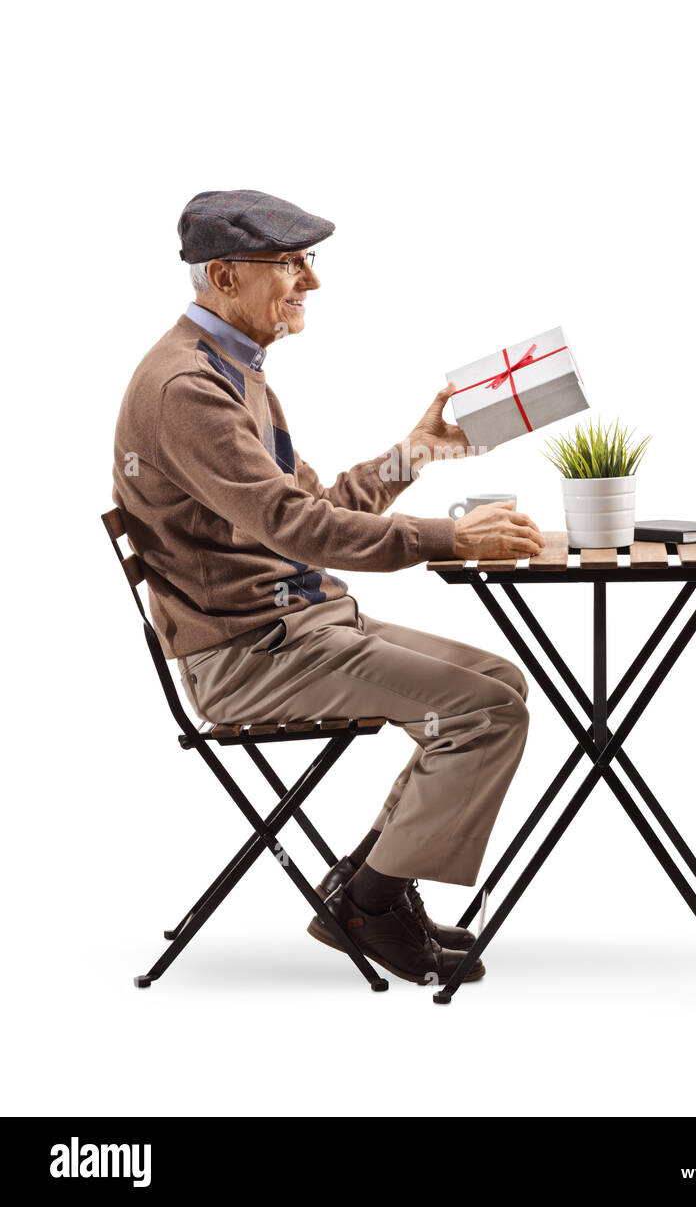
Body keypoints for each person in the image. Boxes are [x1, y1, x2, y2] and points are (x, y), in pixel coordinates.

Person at [112, 188, 546, 986]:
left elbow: (311, 511)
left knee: (497, 682)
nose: (310, 281)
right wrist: (449, 538)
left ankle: (370, 888)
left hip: (299, 625)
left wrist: (418, 454)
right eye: (290, 264)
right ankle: (369, 904)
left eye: (309, 262)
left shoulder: (234, 373)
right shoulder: (188, 390)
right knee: (484, 711)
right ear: (224, 275)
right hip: (249, 654)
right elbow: (300, 530)